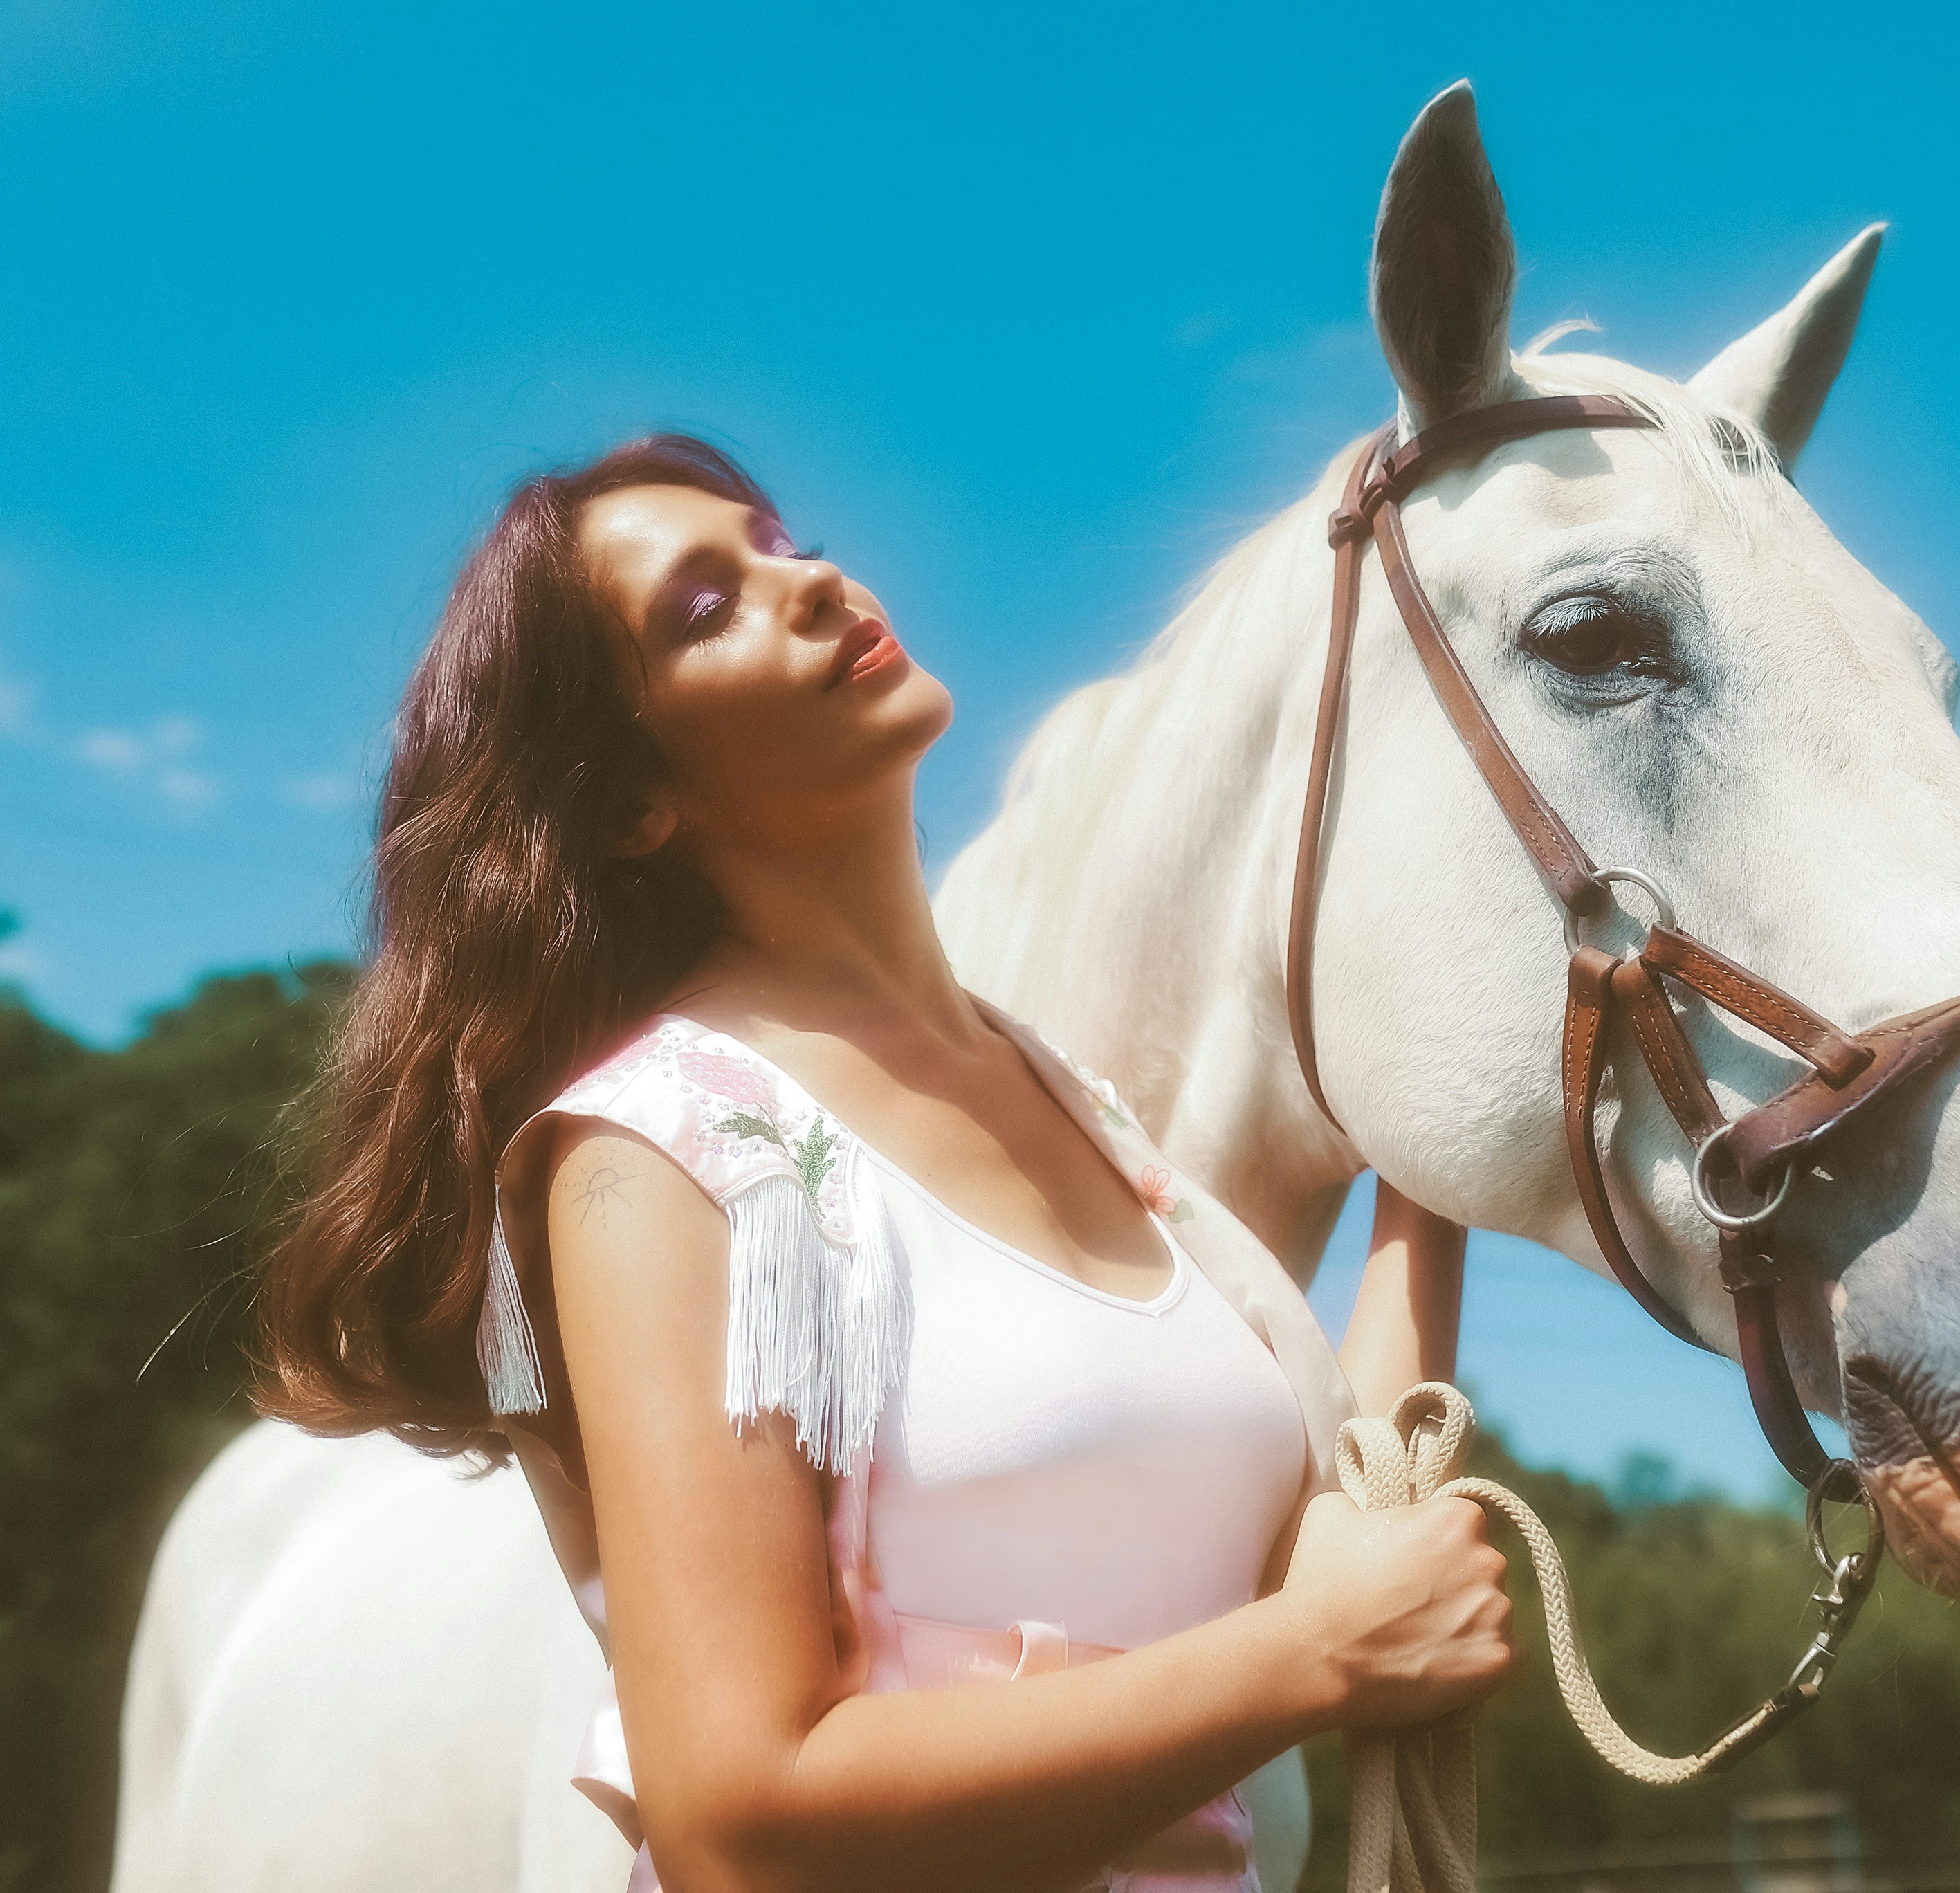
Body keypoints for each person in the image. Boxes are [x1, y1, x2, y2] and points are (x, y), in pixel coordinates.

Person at [256, 432, 1512, 1893]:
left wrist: (1428, 1163)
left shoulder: (1070, 1104)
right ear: (630, 803)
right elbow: (739, 1817)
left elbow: (1345, 1516)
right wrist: (1316, 1662)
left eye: (780, 541)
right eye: (705, 607)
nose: (809, 582)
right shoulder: (661, 1150)